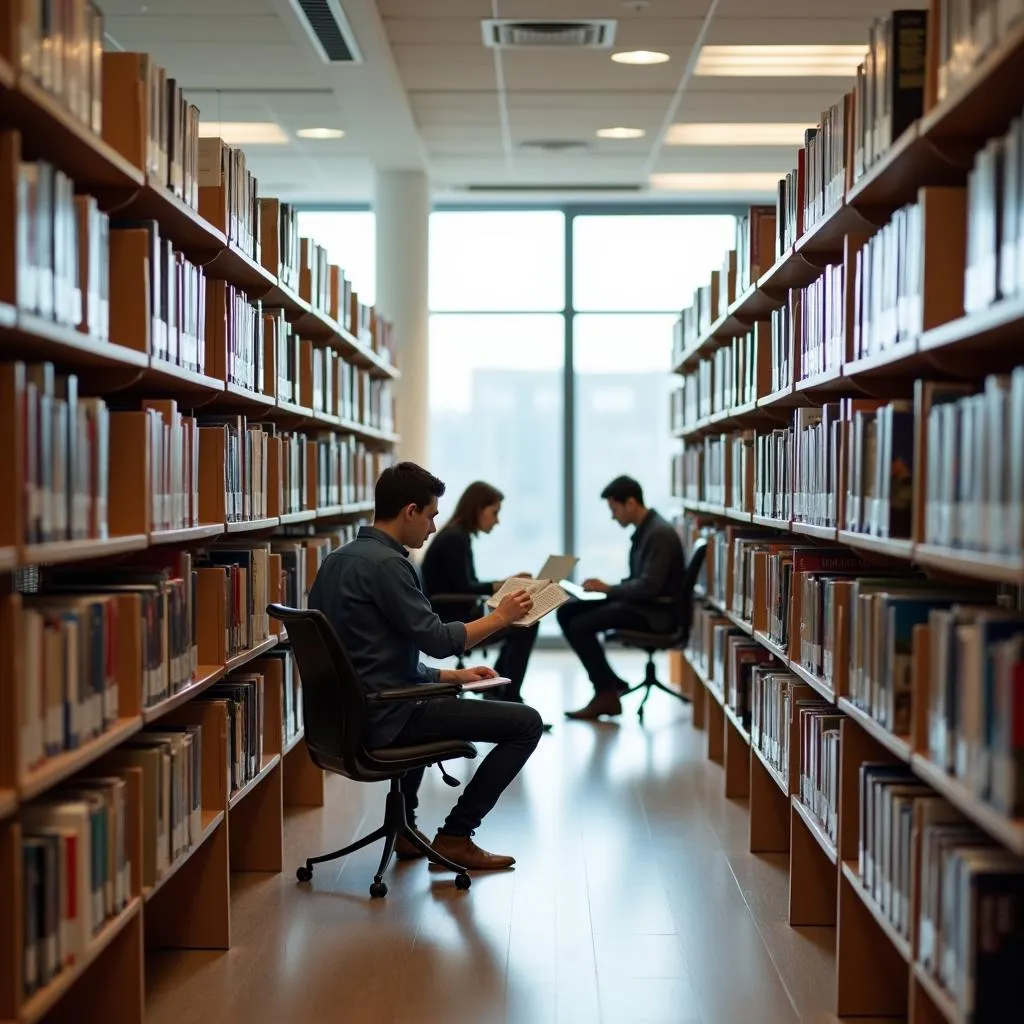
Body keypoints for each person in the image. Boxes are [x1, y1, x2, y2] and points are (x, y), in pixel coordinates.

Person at [308, 461, 543, 870]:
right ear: (410, 511)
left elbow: (371, 658)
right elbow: (437, 640)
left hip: (347, 716)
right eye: (431, 515)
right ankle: (456, 835)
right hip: (388, 716)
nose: (433, 527)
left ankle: (405, 828)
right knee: (527, 723)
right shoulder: (389, 566)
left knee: (439, 697)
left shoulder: (337, 560)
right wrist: (502, 617)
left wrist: (452, 677)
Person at [557, 474, 685, 721]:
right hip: (641, 604)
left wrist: (610, 589)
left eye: (614, 509)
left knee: (580, 624)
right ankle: (611, 683)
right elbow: (643, 581)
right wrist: (607, 589)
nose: (613, 516)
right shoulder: (648, 530)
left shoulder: (658, 534)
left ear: (631, 503)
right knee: (567, 610)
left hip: (653, 613)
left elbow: (649, 587)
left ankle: (606, 692)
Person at [421, 481, 539, 705]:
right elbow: (465, 586)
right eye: (494, 512)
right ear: (477, 509)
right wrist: (502, 584)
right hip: (452, 619)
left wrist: (504, 584)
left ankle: (501, 692)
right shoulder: (455, 538)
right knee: (526, 626)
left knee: (522, 623)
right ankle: (508, 696)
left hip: (455, 610)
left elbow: (464, 584)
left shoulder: (457, 535)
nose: (497, 520)